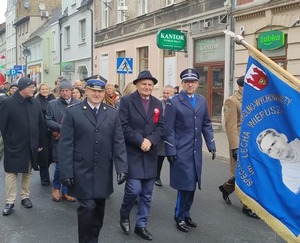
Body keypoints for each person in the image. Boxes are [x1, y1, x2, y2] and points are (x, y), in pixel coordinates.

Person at [58, 78, 128, 243]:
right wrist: (66, 172)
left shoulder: (112, 112)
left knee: (98, 211)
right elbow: (66, 144)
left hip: (103, 170)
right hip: (81, 170)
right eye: (93, 91)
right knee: (87, 208)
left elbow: (118, 142)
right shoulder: (73, 112)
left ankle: (93, 239)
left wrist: (122, 168)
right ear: (86, 91)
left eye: (100, 91)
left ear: (104, 93)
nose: (96, 94)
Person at [164, 68, 216, 233]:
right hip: (181, 151)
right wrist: (170, 150)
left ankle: (186, 213)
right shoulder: (174, 102)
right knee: (184, 186)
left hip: (195, 151)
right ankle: (179, 216)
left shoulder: (201, 101)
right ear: (182, 84)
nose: (190, 84)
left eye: (193, 82)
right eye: (187, 82)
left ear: (197, 83)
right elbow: (169, 129)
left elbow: (206, 124)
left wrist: (211, 144)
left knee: (192, 185)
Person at [118, 70, 164, 241]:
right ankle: (124, 214)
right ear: (137, 85)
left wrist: (151, 140)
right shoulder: (126, 101)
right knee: (134, 189)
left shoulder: (158, 103)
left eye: (150, 85)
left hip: (150, 153)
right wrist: (140, 140)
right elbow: (122, 125)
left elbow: (161, 127)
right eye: (144, 84)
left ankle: (141, 225)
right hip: (133, 153)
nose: (147, 87)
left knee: (147, 193)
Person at [0, 77, 45, 216]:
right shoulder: (8, 103)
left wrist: (40, 143)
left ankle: (25, 197)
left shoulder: (35, 103)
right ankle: (10, 201)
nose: (34, 89)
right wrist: (9, 141)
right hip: (13, 145)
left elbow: (40, 124)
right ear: (23, 88)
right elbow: (2, 125)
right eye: (31, 87)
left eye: (34, 87)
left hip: (31, 144)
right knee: (11, 172)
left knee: (27, 171)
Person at [218, 75, 259, 219]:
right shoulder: (232, 101)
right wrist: (235, 147)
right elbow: (230, 126)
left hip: (254, 143)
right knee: (245, 174)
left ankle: (226, 187)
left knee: (249, 172)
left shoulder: (253, 98)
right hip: (241, 143)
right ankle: (247, 206)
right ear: (241, 86)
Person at [45, 78, 80, 202]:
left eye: (67, 90)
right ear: (59, 92)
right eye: (62, 91)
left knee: (71, 166)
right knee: (60, 165)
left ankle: (66, 190)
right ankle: (56, 188)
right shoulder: (53, 104)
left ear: (71, 91)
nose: (65, 93)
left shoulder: (78, 103)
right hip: (59, 139)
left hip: (75, 139)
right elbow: (48, 120)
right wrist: (61, 128)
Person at [257, 128, 300, 194]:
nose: (276, 151)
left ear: (283, 137)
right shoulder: (288, 177)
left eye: (273, 143)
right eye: (269, 151)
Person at [35, 83, 56, 186]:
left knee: (53, 155)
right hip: (42, 131)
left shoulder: (54, 99)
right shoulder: (36, 101)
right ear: (39, 90)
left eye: (46, 89)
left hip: (53, 131)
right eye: (42, 89)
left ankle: (56, 178)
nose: (45, 91)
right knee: (43, 156)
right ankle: (44, 178)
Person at [155, 85, 174, 187]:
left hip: (172, 137)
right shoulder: (158, 104)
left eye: (168, 93)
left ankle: (176, 179)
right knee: (160, 158)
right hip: (161, 137)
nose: (165, 95)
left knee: (173, 159)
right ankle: (157, 177)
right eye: (164, 93)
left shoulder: (175, 104)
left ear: (172, 94)